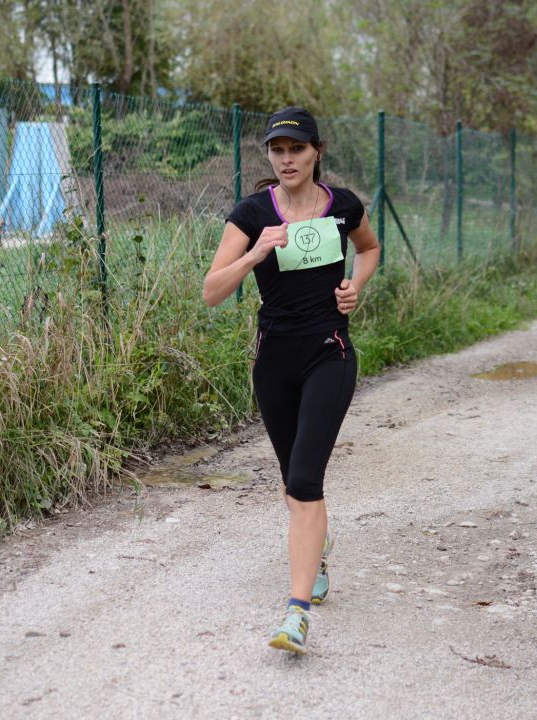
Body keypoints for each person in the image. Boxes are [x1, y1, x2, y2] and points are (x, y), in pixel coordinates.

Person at [202, 107, 380, 655]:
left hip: (330, 353)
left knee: (305, 479)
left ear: (315, 152)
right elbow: (211, 291)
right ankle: (318, 549)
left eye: (296, 149)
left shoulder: (343, 205)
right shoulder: (251, 213)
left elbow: (369, 249)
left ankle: (296, 613)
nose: (286, 159)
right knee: (290, 482)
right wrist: (257, 251)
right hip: (273, 362)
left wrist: (355, 284)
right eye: (277, 151)